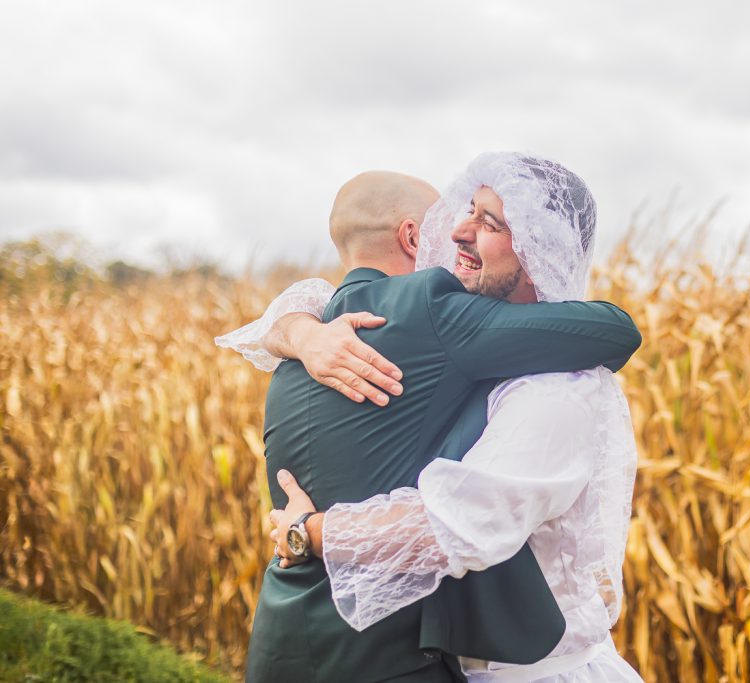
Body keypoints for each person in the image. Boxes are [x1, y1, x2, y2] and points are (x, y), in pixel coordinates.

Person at [216, 162, 642, 682]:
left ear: (539, 248)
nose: (459, 231)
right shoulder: (430, 338)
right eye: (466, 213)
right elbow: (315, 300)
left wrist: (308, 533)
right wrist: (302, 332)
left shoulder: (557, 391)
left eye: (489, 223)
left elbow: (458, 525)